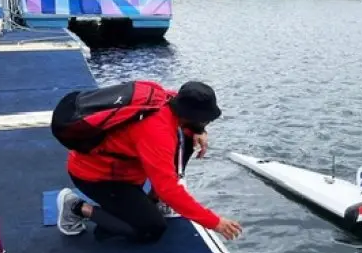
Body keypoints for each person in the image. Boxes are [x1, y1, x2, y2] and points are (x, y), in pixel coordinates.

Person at [55, 81, 242, 243]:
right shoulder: (157, 134)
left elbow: (187, 128)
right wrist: (215, 222)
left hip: (123, 169)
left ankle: (153, 200)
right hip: (98, 176)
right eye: (205, 120)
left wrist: (199, 131)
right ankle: (75, 207)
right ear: (191, 116)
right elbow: (168, 189)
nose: (207, 123)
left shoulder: (165, 97)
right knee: (150, 229)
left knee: (186, 138)